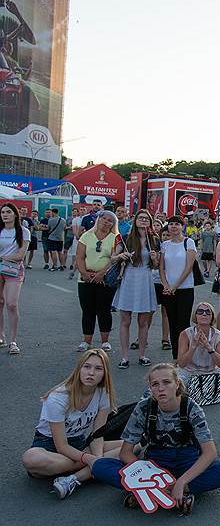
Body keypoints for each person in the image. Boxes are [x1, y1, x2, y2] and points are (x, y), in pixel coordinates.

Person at [91, 363, 220, 514]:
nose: (161, 388)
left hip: (187, 460)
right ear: (150, 389)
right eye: (155, 384)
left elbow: (210, 453)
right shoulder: (144, 408)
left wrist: (182, 482)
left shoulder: (191, 408)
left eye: (166, 382)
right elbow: (125, 452)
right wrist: (146, 475)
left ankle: (155, 491)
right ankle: (170, 494)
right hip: (155, 464)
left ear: (177, 384)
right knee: (100, 466)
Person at [22, 349, 122, 499]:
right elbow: (61, 445)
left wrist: (98, 459)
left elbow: (97, 436)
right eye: (87, 367)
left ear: (104, 373)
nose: (91, 373)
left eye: (98, 368)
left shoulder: (103, 393)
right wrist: (92, 460)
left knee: (132, 447)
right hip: (49, 444)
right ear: (79, 369)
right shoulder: (58, 398)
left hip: (78, 442)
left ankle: (73, 479)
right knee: (31, 459)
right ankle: (89, 469)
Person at [112, 209, 159, 369]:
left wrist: (155, 259)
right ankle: (124, 357)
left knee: (143, 321)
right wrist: (120, 256)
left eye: (147, 219)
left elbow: (157, 265)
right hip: (129, 279)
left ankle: (142, 355)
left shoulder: (154, 240)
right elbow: (112, 258)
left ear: (150, 222)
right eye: (141, 218)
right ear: (135, 221)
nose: (144, 221)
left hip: (146, 280)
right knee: (125, 321)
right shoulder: (126, 239)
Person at [75, 210, 121, 353]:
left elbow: (114, 259)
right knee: (87, 310)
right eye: (104, 219)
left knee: (104, 310)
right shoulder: (86, 236)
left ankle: (105, 341)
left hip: (105, 280)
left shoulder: (116, 238)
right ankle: (86, 341)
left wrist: (102, 273)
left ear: (113, 224)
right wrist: (84, 273)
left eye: (110, 221)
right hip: (86, 278)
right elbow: (80, 256)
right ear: (98, 219)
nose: (106, 222)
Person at [178, 302, 220, 395]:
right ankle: (206, 389)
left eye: (208, 312)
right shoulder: (185, 334)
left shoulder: (219, 336)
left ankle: (193, 390)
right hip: (189, 374)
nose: (204, 314)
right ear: (195, 316)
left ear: (212, 317)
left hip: (210, 375)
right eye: (200, 311)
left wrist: (209, 348)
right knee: (176, 380)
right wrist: (193, 347)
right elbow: (181, 363)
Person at [160, 215, 198, 360]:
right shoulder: (165, 245)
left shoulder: (189, 242)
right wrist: (166, 285)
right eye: (171, 224)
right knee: (172, 323)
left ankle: (186, 357)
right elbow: (161, 268)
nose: (174, 227)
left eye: (177, 224)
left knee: (183, 324)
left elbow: (189, 267)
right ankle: (176, 357)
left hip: (185, 289)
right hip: (168, 290)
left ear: (182, 226)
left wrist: (175, 286)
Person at [0, 203, 30, 354]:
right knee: (0, 302)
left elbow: (20, 255)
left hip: (14, 270)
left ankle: (13, 341)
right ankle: (1, 336)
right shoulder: (0, 231)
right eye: (3, 212)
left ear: (15, 214)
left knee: (11, 304)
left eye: (8, 212)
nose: (5, 215)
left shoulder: (23, 231)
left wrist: (2, 257)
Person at [67, 207, 85, 280]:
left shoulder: (86, 218)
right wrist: (77, 236)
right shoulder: (75, 219)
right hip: (77, 240)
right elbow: (74, 229)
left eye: (83, 210)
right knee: (77, 256)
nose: (82, 211)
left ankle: (79, 273)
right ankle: (73, 271)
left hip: (85, 240)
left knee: (84, 257)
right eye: (81, 209)